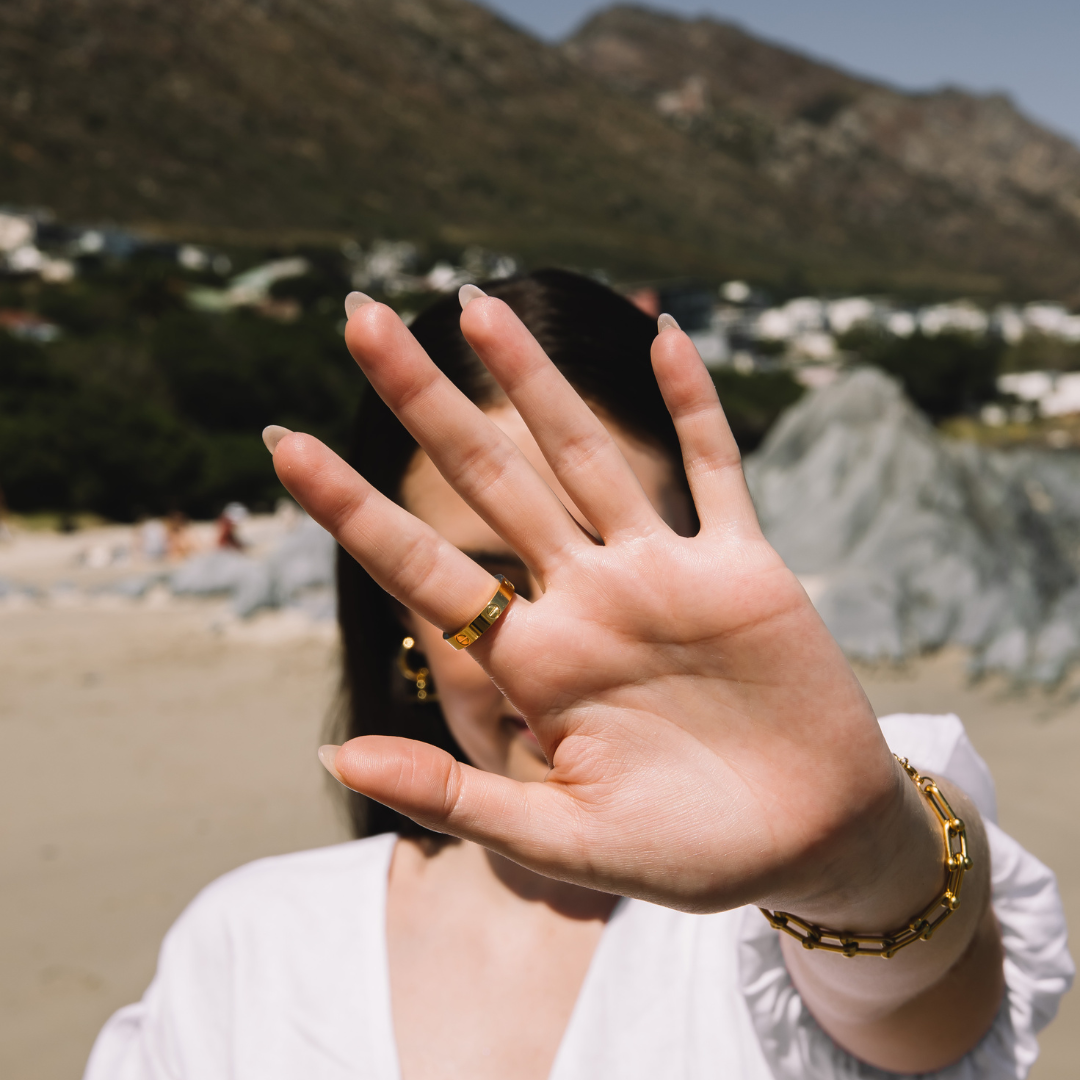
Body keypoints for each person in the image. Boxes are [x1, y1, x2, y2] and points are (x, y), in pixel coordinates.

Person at [85, 271, 1072, 1080]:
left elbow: (926, 1006)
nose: (559, 652)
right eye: (485, 584)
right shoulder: (250, 945)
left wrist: (861, 864)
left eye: (607, 567)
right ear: (400, 610)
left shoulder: (767, 926)